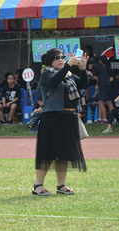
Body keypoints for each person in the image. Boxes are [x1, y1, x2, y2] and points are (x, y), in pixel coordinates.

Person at [33, 48, 88, 196]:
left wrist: (82, 69)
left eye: (62, 57)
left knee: (63, 153)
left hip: (68, 117)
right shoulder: (47, 74)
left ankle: (61, 185)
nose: (61, 59)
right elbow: (54, 81)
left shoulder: (68, 75)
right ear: (49, 61)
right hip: (52, 117)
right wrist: (68, 65)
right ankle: (38, 185)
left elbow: (83, 83)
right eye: (57, 58)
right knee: (47, 153)